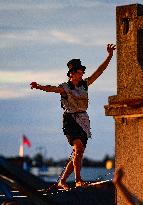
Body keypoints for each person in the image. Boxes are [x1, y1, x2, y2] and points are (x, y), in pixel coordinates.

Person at [30, 44, 116, 190]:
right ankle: (78, 179)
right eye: (79, 71)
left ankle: (62, 181)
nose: (82, 73)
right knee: (78, 147)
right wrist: (38, 86)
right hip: (70, 119)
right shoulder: (65, 87)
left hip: (83, 120)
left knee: (78, 152)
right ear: (72, 73)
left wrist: (109, 56)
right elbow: (51, 89)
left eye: (83, 71)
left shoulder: (85, 84)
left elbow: (99, 72)